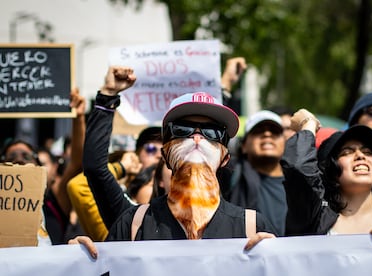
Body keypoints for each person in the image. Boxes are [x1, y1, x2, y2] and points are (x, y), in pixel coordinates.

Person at [69, 66, 276, 258]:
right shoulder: (134, 223)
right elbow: (95, 170)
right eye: (182, 130)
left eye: (213, 133)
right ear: (165, 155)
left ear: (225, 158)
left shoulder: (251, 227)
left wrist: (276, 263)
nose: (197, 137)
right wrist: (79, 265)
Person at [281, 108, 372, 248]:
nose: (360, 155)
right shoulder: (314, 217)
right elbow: (298, 167)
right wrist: (308, 124)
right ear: (330, 171)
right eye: (347, 152)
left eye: (367, 152)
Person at [0, 88, 86, 245]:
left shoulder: (54, 201)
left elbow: (77, 162)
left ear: (39, 167)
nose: (19, 160)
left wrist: (78, 117)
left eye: (26, 157)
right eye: (11, 157)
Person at [223, 110, 287, 236]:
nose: (267, 134)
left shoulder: (298, 183)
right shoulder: (231, 172)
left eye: (275, 132)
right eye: (258, 131)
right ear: (244, 146)